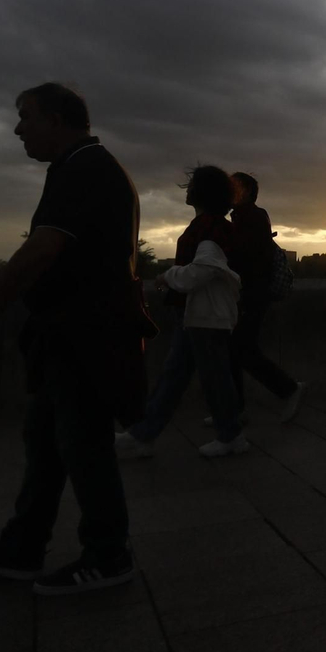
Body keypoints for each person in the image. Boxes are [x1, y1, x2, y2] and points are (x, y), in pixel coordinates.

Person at [0, 82, 151, 595]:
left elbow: (41, 251)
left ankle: (108, 554)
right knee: (48, 441)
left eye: (26, 117)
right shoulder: (82, 166)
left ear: (58, 120)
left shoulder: (84, 169)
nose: (18, 128)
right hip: (76, 332)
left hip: (85, 334)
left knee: (83, 444)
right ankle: (25, 544)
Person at [115, 166, 247, 458]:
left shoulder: (208, 228)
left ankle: (230, 435)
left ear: (200, 193)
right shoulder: (215, 226)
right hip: (199, 316)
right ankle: (142, 435)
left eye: (191, 186)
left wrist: (168, 276)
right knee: (179, 377)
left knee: (207, 378)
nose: (186, 191)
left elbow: (203, 271)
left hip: (203, 316)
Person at [222, 171, 305, 423]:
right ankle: (234, 407)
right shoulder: (246, 216)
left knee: (241, 349)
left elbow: (247, 258)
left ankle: (288, 389)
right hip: (249, 293)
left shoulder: (251, 217)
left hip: (251, 294)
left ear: (245, 192)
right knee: (235, 349)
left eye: (233, 187)